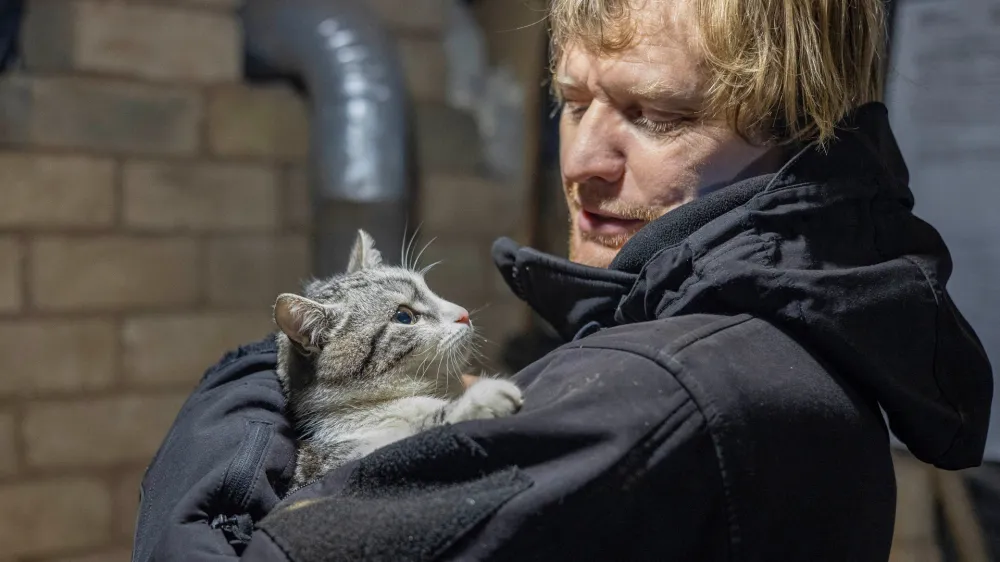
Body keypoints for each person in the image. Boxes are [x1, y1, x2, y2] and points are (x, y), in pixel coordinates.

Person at [132, 0, 994, 560]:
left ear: (803, 125)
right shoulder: (807, 329)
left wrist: (265, 377)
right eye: (573, 103)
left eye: (657, 116)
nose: (583, 162)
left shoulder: (661, 390)